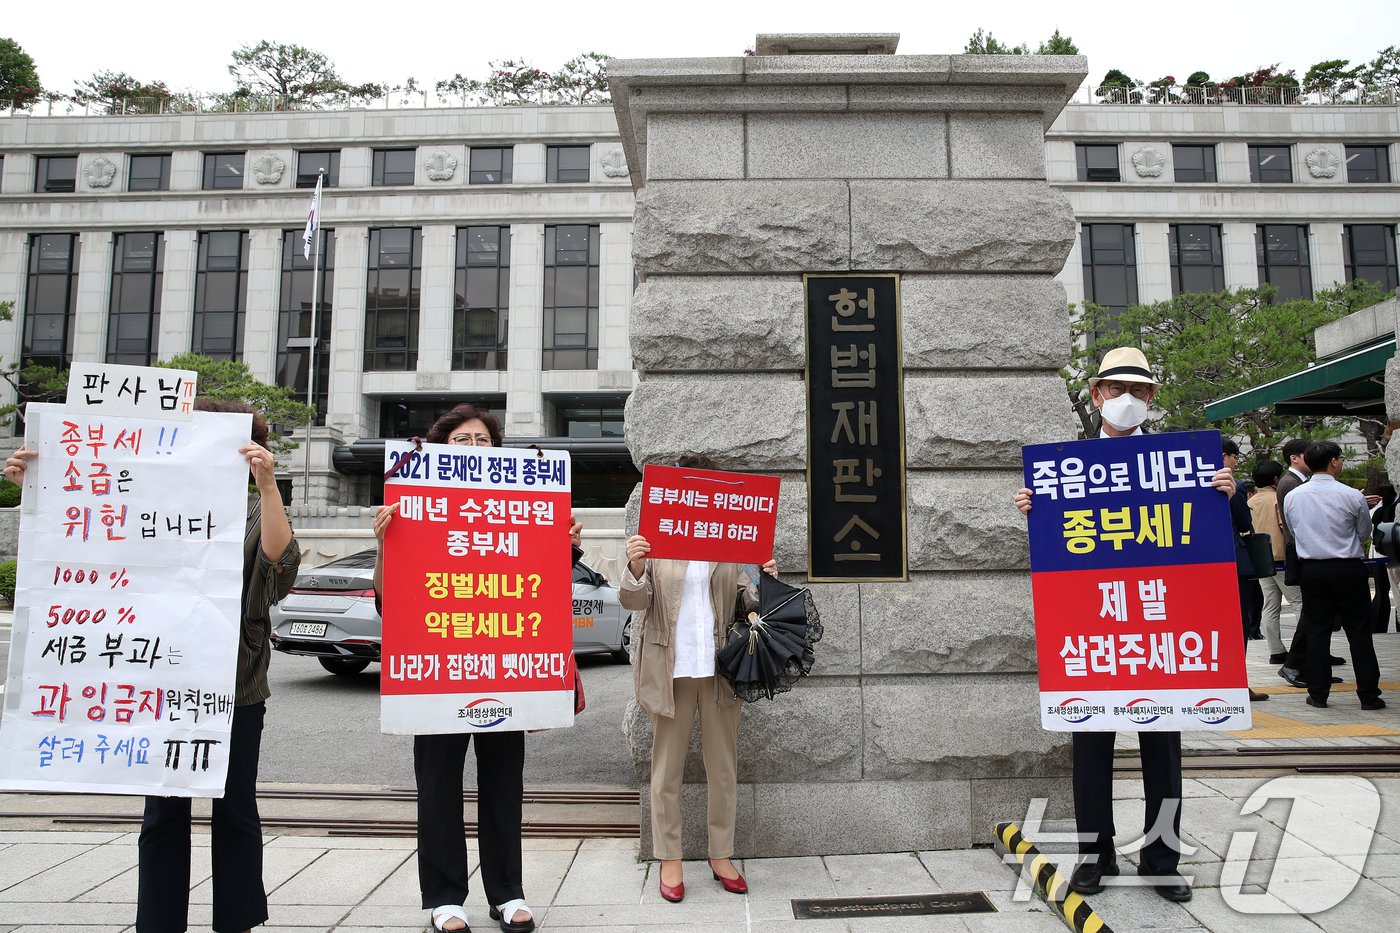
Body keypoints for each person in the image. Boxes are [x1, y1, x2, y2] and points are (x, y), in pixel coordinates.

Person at [6, 400, 301, 933]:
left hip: (235, 685)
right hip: (159, 684)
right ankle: (159, 923)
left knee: (236, 811)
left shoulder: (255, 507)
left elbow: (279, 572)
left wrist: (269, 486)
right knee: (164, 814)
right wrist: (42, 484)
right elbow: (77, 537)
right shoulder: (144, 498)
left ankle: (237, 922)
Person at [1014, 346, 1236, 904]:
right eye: (1117, 389)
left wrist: (1222, 497)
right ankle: (1095, 858)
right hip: (1098, 629)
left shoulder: (1183, 464)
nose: (1128, 399)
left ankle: (1162, 859)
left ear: (1152, 398)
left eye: (1139, 390)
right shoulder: (1068, 469)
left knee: (1164, 750)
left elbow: (1205, 539)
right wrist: (1033, 508)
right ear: (1096, 394)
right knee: (1091, 751)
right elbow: (1062, 548)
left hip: (1161, 628)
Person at [372, 402, 580, 933]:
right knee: (437, 785)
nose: (473, 448)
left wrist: (564, 545)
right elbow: (388, 599)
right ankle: (445, 897)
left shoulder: (517, 507)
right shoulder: (415, 507)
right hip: (438, 672)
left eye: (482, 441)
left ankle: (507, 892)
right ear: (441, 449)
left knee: (503, 785)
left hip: (503, 670)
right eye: (461, 441)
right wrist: (385, 542)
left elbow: (547, 594)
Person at [620, 453, 779, 905]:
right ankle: (670, 857)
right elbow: (634, 601)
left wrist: (764, 579)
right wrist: (633, 566)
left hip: (719, 671)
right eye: (692, 485)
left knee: (723, 767)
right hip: (669, 671)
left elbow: (748, 603)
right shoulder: (655, 537)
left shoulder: (730, 542)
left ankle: (720, 854)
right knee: (665, 770)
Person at [1282, 441, 1384, 711]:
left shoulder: (1294, 496)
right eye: (1340, 459)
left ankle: (1318, 693)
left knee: (1317, 630)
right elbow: (1364, 532)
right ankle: (1369, 695)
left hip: (1312, 569)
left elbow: (1292, 531)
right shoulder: (1351, 495)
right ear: (1333, 462)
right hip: (1347, 568)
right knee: (1359, 632)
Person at [1275, 439, 1345, 687]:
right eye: (1308, 454)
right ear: (1295, 458)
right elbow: (1291, 525)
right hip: (1303, 555)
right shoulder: (1289, 483)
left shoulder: (1298, 483)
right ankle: (1295, 664)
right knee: (1310, 612)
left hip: (1308, 555)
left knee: (1316, 612)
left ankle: (1314, 666)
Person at [1222, 440, 1269, 702]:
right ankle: (1238, 684)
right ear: (1223, 456)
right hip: (1233, 563)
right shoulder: (1234, 485)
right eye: (1234, 456)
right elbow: (1244, 522)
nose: (1236, 462)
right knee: (1238, 625)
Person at [1249, 460, 1295, 661]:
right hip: (1281, 558)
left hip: (1260, 561)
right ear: (1276, 479)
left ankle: (1276, 650)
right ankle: (1305, 649)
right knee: (1299, 602)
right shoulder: (1277, 498)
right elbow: (1285, 527)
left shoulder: (1250, 501)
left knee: (1270, 605)